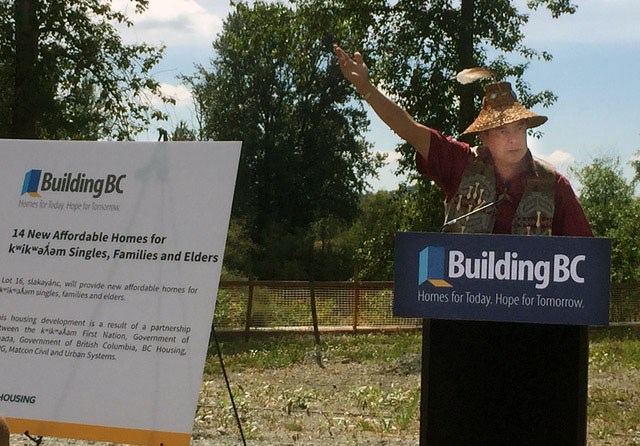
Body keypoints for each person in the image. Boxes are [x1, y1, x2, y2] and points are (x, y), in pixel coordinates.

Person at [334, 44, 592, 444]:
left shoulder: (554, 184)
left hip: (533, 342)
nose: (514, 138)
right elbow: (409, 129)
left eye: (520, 128)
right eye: (503, 130)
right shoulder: (457, 164)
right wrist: (367, 88)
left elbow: (583, 261)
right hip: (461, 336)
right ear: (485, 136)